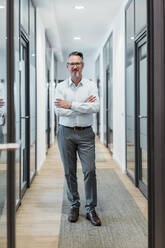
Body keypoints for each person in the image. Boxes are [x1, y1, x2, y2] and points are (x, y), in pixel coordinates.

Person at [54, 51, 101, 226]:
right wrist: (83, 106)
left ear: (83, 65)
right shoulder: (60, 87)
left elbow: (95, 107)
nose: (75, 66)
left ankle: (90, 209)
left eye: (78, 63)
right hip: (65, 133)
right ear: (67, 66)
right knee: (69, 171)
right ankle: (74, 205)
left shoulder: (90, 85)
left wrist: (71, 105)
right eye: (72, 63)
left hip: (86, 134)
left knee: (90, 170)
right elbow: (59, 111)